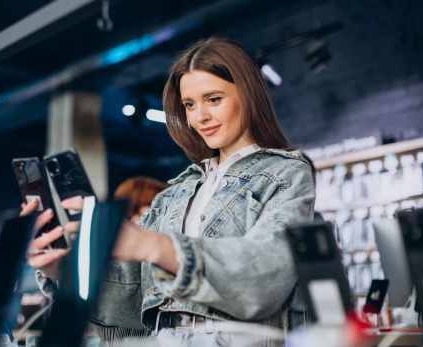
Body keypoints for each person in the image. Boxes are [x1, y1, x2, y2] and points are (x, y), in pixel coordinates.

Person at [22, 37, 315, 347]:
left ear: (248, 94)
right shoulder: (176, 194)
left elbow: (264, 274)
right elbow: (128, 304)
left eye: (213, 99)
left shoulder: (286, 174)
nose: (199, 116)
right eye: (190, 104)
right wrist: (60, 269)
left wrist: (157, 246)